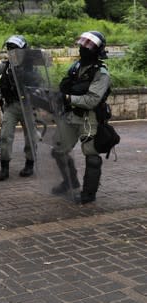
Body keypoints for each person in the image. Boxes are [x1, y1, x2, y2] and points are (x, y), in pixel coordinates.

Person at [51, 31, 111, 204]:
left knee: (91, 156)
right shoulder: (76, 67)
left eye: (89, 46)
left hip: (88, 118)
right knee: (58, 151)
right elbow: (65, 86)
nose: (84, 48)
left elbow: (92, 100)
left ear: (97, 50)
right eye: (83, 44)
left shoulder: (101, 73)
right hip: (70, 115)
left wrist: (68, 98)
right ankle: (70, 181)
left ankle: (89, 193)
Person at [0, 35, 35, 181]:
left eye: (15, 48)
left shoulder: (30, 66)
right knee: (5, 137)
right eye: (9, 48)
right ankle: (4, 168)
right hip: (11, 106)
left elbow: (38, 83)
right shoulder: (7, 65)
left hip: (27, 106)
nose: (11, 51)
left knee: (31, 137)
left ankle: (30, 164)